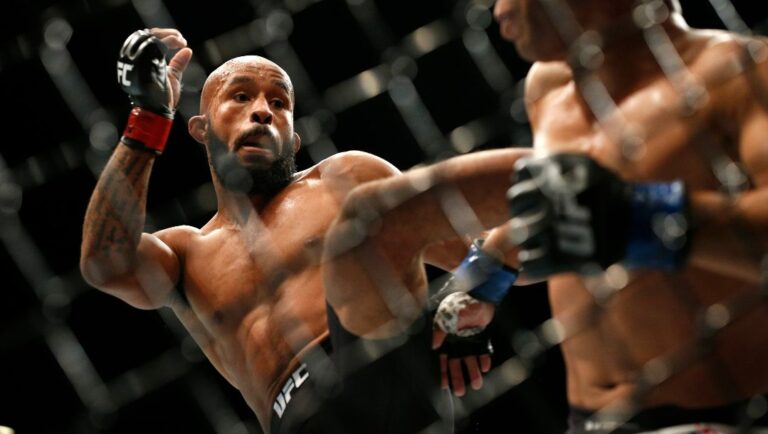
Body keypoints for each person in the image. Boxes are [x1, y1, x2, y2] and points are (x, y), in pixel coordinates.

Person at [80, 27, 521, 434]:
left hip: (384, 359)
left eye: (279, 103)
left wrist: (473, 292)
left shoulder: (341, 178)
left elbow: (477, 252)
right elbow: (104, 264)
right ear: (200, 128)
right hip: (295, 416)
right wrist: (150, 119)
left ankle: (553, 175)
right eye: (239, 97)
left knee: (370, 211)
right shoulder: (185, 251)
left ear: (292, 139)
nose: (262, 113)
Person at [432, 0, 768, 432]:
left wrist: (638, 217)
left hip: (721, 414)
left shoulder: (742, 70)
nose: (498, 9)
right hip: (589, 420)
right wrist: (487, 272)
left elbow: (604, 215)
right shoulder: (549, 90)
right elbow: (572, 213)